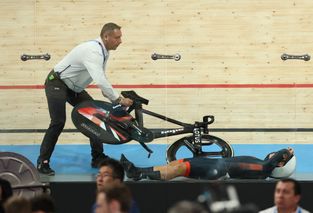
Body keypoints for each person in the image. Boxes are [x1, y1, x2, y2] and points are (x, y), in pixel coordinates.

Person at [37, 22, 133, 175]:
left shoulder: (104, 51)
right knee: (58, 121)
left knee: (96, 115)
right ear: (106, 36)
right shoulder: (93, 50)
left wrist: (109, 94)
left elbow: (101, 76)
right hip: (57, 83)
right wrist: (118, 99)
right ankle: (43, 161)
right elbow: (100, 80)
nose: (120, 41)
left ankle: (97, 157)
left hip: (74, 88)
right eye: (117, 37)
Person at [120, 147, 296, 181]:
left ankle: (139, 175)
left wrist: (286, 152)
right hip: (215, 164)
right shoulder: (260, 164)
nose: (275, 152)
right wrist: (282, 155)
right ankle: (136, 170)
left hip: (217, 169)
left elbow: (267, 166)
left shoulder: (262, 170)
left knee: (179, 169)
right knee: (176, 163)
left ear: (279, 164)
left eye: (279, 157)